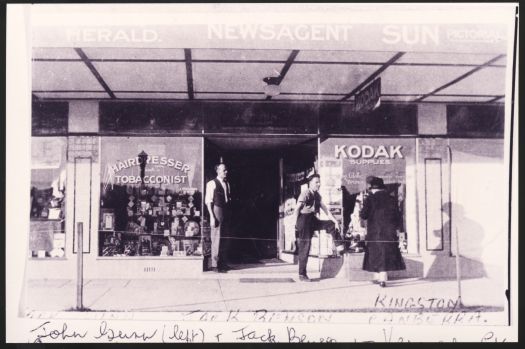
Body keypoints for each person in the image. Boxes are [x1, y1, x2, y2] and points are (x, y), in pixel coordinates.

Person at [294, 173, 342, 282]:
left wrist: (335, 221)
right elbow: (297, 209)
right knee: (305, 247)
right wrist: (295, 224)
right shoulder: (305, 193)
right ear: (310, 183)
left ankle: (339, 245)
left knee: (330, 224)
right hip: (304, 220)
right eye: (316, 182)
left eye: (319, 182)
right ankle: (302, 274)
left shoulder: (317, 195)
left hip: (312, 219)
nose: (319, 184)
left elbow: (325, 209)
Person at [360, 176, 405, 287]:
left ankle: (379, 277)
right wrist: (399, 230)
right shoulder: (392, 199)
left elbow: (363, 215)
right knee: (386, 253)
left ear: (373, 189)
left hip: (375, 232)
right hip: (389, 232)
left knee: (375, 253)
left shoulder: (369, 199)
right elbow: (398, 216)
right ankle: (382, 277)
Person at [205, 163, 231, 273]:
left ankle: (223, 263)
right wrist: (212, 216)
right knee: (216, 238)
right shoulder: (211, 183)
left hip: (225, 212)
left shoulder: (227, 184)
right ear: (218, 171)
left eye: (226, 170)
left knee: (225, 238)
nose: (226, 172)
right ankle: (215, 265)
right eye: (224, 170)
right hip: (216, 211)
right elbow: (208, 201)